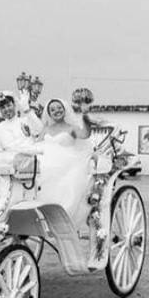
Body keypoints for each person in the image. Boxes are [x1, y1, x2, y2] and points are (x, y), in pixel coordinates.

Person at [35, 93, 94, 228]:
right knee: (39, 171)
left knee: (58, 176)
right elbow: (36, 145)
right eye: (53, 109)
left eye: (59, 108)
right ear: (49, 113)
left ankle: (58, 216)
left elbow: (85, 134)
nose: (57, 111)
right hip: (46, 162)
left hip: (67, 164)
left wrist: (85, 116)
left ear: (65, 109)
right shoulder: (46, 129)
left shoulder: (71, 128)